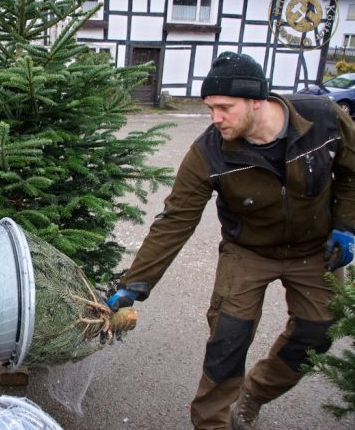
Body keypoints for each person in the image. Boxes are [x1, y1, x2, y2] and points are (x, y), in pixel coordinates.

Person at [107, 51, 355, 430]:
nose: (215, 118)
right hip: (248, 250)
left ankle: (253, 396)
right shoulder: (209, 151)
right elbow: (176, 220)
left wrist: (346, 225)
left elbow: (352, 171)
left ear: (258, 100)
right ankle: (212, 424)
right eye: (210, 108)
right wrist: (134, 285)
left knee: (317, 334)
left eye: (224, 107)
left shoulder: (322, 118)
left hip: (315, 250)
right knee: (228, 339)